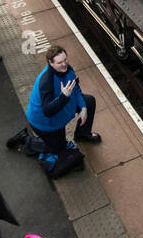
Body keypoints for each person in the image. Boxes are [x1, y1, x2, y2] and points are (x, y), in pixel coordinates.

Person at [19, 46, 99, 174]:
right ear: (50, 63)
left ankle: (82, 134)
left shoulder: (68, 69)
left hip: (62, 109)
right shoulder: (46, 82)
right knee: (57, 148)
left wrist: (83, 108)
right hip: (45, 123)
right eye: (59, 62)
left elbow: (76, 88)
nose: (64, 64)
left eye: (65, 60)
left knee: (89, 101)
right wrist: (63, 97)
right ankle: (26, 140)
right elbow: (47, 111)